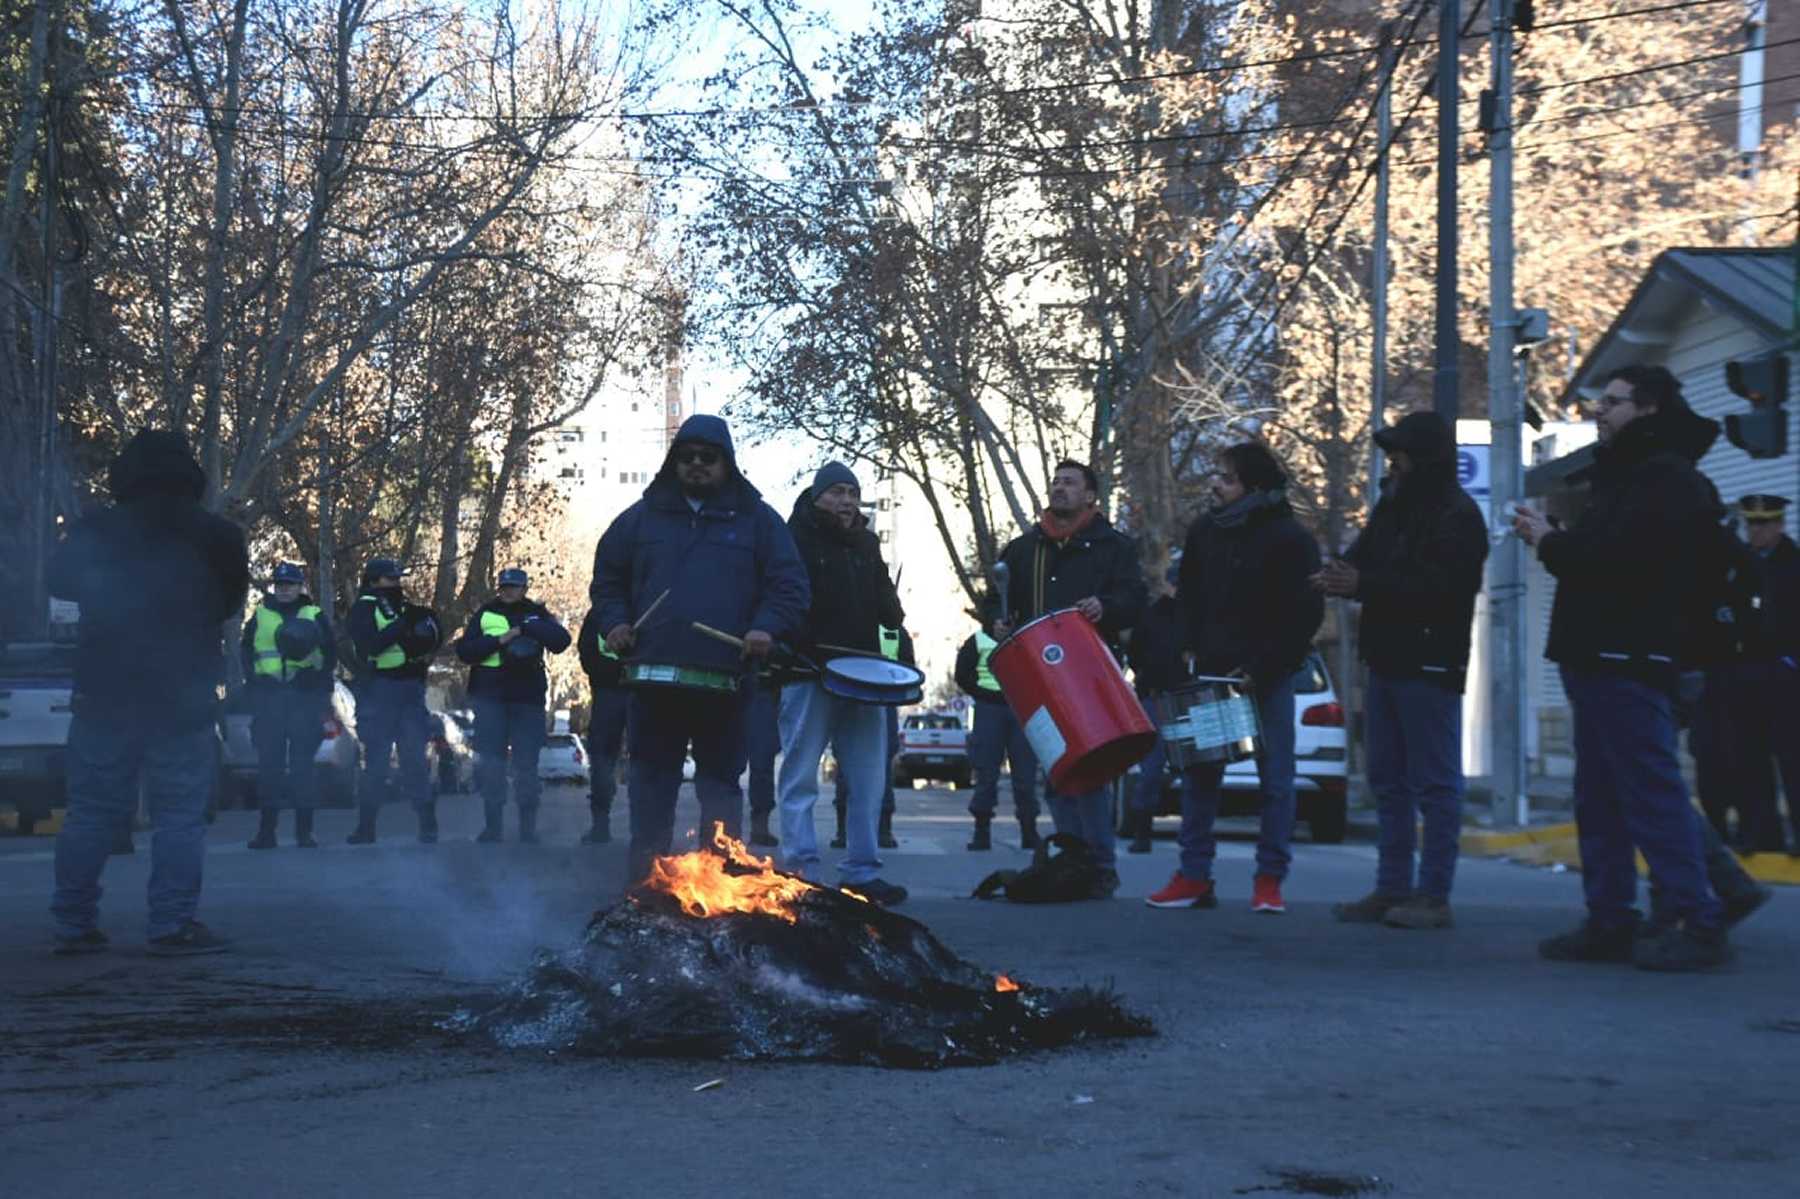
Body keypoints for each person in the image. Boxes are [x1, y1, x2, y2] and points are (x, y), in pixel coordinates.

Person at [1512, 364, 1729, 971]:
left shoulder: (1663, 481)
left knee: (1650, 794)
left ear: (1651, 407)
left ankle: (1696, 918)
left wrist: (1549, 541)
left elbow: (1618, 562)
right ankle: (1611, 918)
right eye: (1599, 401)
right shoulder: (1626, 475)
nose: (1599, 411)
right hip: (1598, 654)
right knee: (1601, 798)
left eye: (1613, 402)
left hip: (1631, 655)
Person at [48, 429, 249, 956]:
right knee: (179, 814)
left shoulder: (97, 530)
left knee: (90, 810)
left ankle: (73, 925)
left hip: (105, 689)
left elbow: (58, 582)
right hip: (180, 692)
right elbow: (227, 604)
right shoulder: (217, 535)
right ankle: (171, 925)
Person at [591, 415, 809, 885]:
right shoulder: (639, 519)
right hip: (652, 681)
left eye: (707, 458)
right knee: (650, 785)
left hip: (726, 681)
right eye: (686, 456)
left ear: (726, 463)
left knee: (721, 789)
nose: (696, 465)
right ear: (674, 461)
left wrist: (765, 628)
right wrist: (616, 622)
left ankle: (720, 889)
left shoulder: (759, 522)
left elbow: (790, 585)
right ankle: (645, 888)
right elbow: (607, 579)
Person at [1316, 412, 1487, 930]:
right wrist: (1331, 576)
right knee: (1388, 780)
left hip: (1430, 660)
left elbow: (1441, 589)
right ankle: (1392, 888)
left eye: (1401, 456)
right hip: (1387, 657)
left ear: (1423, 458)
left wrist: (1361, 583)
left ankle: (1433, 894)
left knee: (1434, 783)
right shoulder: (1393, 507)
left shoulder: (1457, 515)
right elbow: (1359, 562)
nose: (1393, 465)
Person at [1148, 442, 1322, 914]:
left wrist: (1264, 666)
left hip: (1267, 676)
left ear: (1255, 486)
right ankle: (1194, 876)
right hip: (1212, 674)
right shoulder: (1207, 531)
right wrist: (1185, 646)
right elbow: (1189, 597)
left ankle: (1269, 880)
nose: (1215, 484)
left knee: (1276, 781)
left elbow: (1304, 614)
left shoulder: (1291, 538)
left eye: (1226, 478)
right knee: (1202, 778)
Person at [995, 460, 1146, 898]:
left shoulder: (1113, 547)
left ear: (1090, 497)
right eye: (1056, 482)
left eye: (1070, 483)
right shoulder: (1024, 551)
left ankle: (1099, 865)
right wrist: (997, 623)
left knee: (1093, 767)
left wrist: (1107, 607)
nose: (1059, 488)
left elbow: (1135, 598)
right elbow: (997, 602)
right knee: (1058, 769)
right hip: (1039, 681)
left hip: (1092, 676)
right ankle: (1073, 859)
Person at [776, 462, 908, 905]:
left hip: (864, 672)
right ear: (817, 497)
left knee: (869, 779)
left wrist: (897, 627)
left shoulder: (866, 544)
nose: (847, 501)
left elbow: (888, 609)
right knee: (800, 775)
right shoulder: (792, 539)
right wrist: (796, 647)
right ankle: (800, 869)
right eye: (836, 492)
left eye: (852, 493)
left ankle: (862, 870)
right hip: (808, 672)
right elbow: (783, 600)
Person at [455, 568, 571, 844]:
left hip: (526, 700)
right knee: (492, 766)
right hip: (490, 699)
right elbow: (465, 651)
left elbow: (561, 641)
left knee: (526, 768)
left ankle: (527, 830)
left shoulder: (536, 613)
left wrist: (530, 627)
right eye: (505, 586)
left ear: (524, 588)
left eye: (514, 586)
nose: (509, 591)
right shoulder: (485, 613)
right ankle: (492, 827)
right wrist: (501, 639)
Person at [345, 557, 443, 844]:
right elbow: (371, 645)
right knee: (376, 762)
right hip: (380, 690)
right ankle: (366, 827)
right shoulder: (363, 609)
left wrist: (426, 630)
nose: (397, 583)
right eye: (390, 579)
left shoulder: (406, 607)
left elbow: (425, 640)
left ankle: (428, 824)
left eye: (398, 578)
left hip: (410, 689)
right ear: (374, 581)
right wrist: (403, 626)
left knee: (414, 759)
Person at [240, 561, 336, 850]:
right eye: (279, 585)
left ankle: (304, 832)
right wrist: (255, 684)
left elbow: (330, 655)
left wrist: (316, 682)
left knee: (302, 768)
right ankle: (266, 833)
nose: (284, 590)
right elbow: (246, 653)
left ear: (300, 587)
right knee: (269, 768)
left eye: (290, 585)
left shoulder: (314, 615)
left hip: (303, 700)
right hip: (270, 700)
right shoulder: (260, 615)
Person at [1727, 494, 1800, 854]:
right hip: (1747, 672)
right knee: (1750, 759)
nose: (1755, 531)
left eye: (1763, 523)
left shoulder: (1794, 563)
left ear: (1779, 524)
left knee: (1793, 758)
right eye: (1750, 523)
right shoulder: (1739, 564)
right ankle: (1761, 835)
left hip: (1786, 675)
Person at [956, 602, 1041, 851]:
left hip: (1020, 709)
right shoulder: (978, 640)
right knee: (986, 774)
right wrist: (983, 694)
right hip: (989, 711)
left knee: (1025, 774)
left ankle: (1029, 831)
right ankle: (982, 832)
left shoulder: (1025, 638)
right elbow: (962, 674)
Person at [1122, 564, 1188, 854]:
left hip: (1182, 697)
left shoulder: (1194, 616)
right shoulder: (1153, 616)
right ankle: (1142, 831)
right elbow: (1136, 654)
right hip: (1159, 697)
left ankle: (1172, 831)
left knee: (1189, 768)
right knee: (1151, 769)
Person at [831, 623, 911, 850]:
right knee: (847, 764)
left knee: (882, 766)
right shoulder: (847, 621)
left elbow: (907, 668)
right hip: (849, 697)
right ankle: (843, 830)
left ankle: (883, 829)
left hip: (884, 702)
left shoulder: (896, 632)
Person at [577, 607, 628, 845]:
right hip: (608, 693)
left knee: (648, 763)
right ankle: (600, 825)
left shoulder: (647, 603)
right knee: (602, 762)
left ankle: (649, 829)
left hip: (645, 693)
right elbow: (587, 653)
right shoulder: (600, 615)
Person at [744, 674, 780, 846]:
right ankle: (759, 827)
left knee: (762, 761)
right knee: (762, 761)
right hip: (761, 685)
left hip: (765, 685)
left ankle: (760, 826)